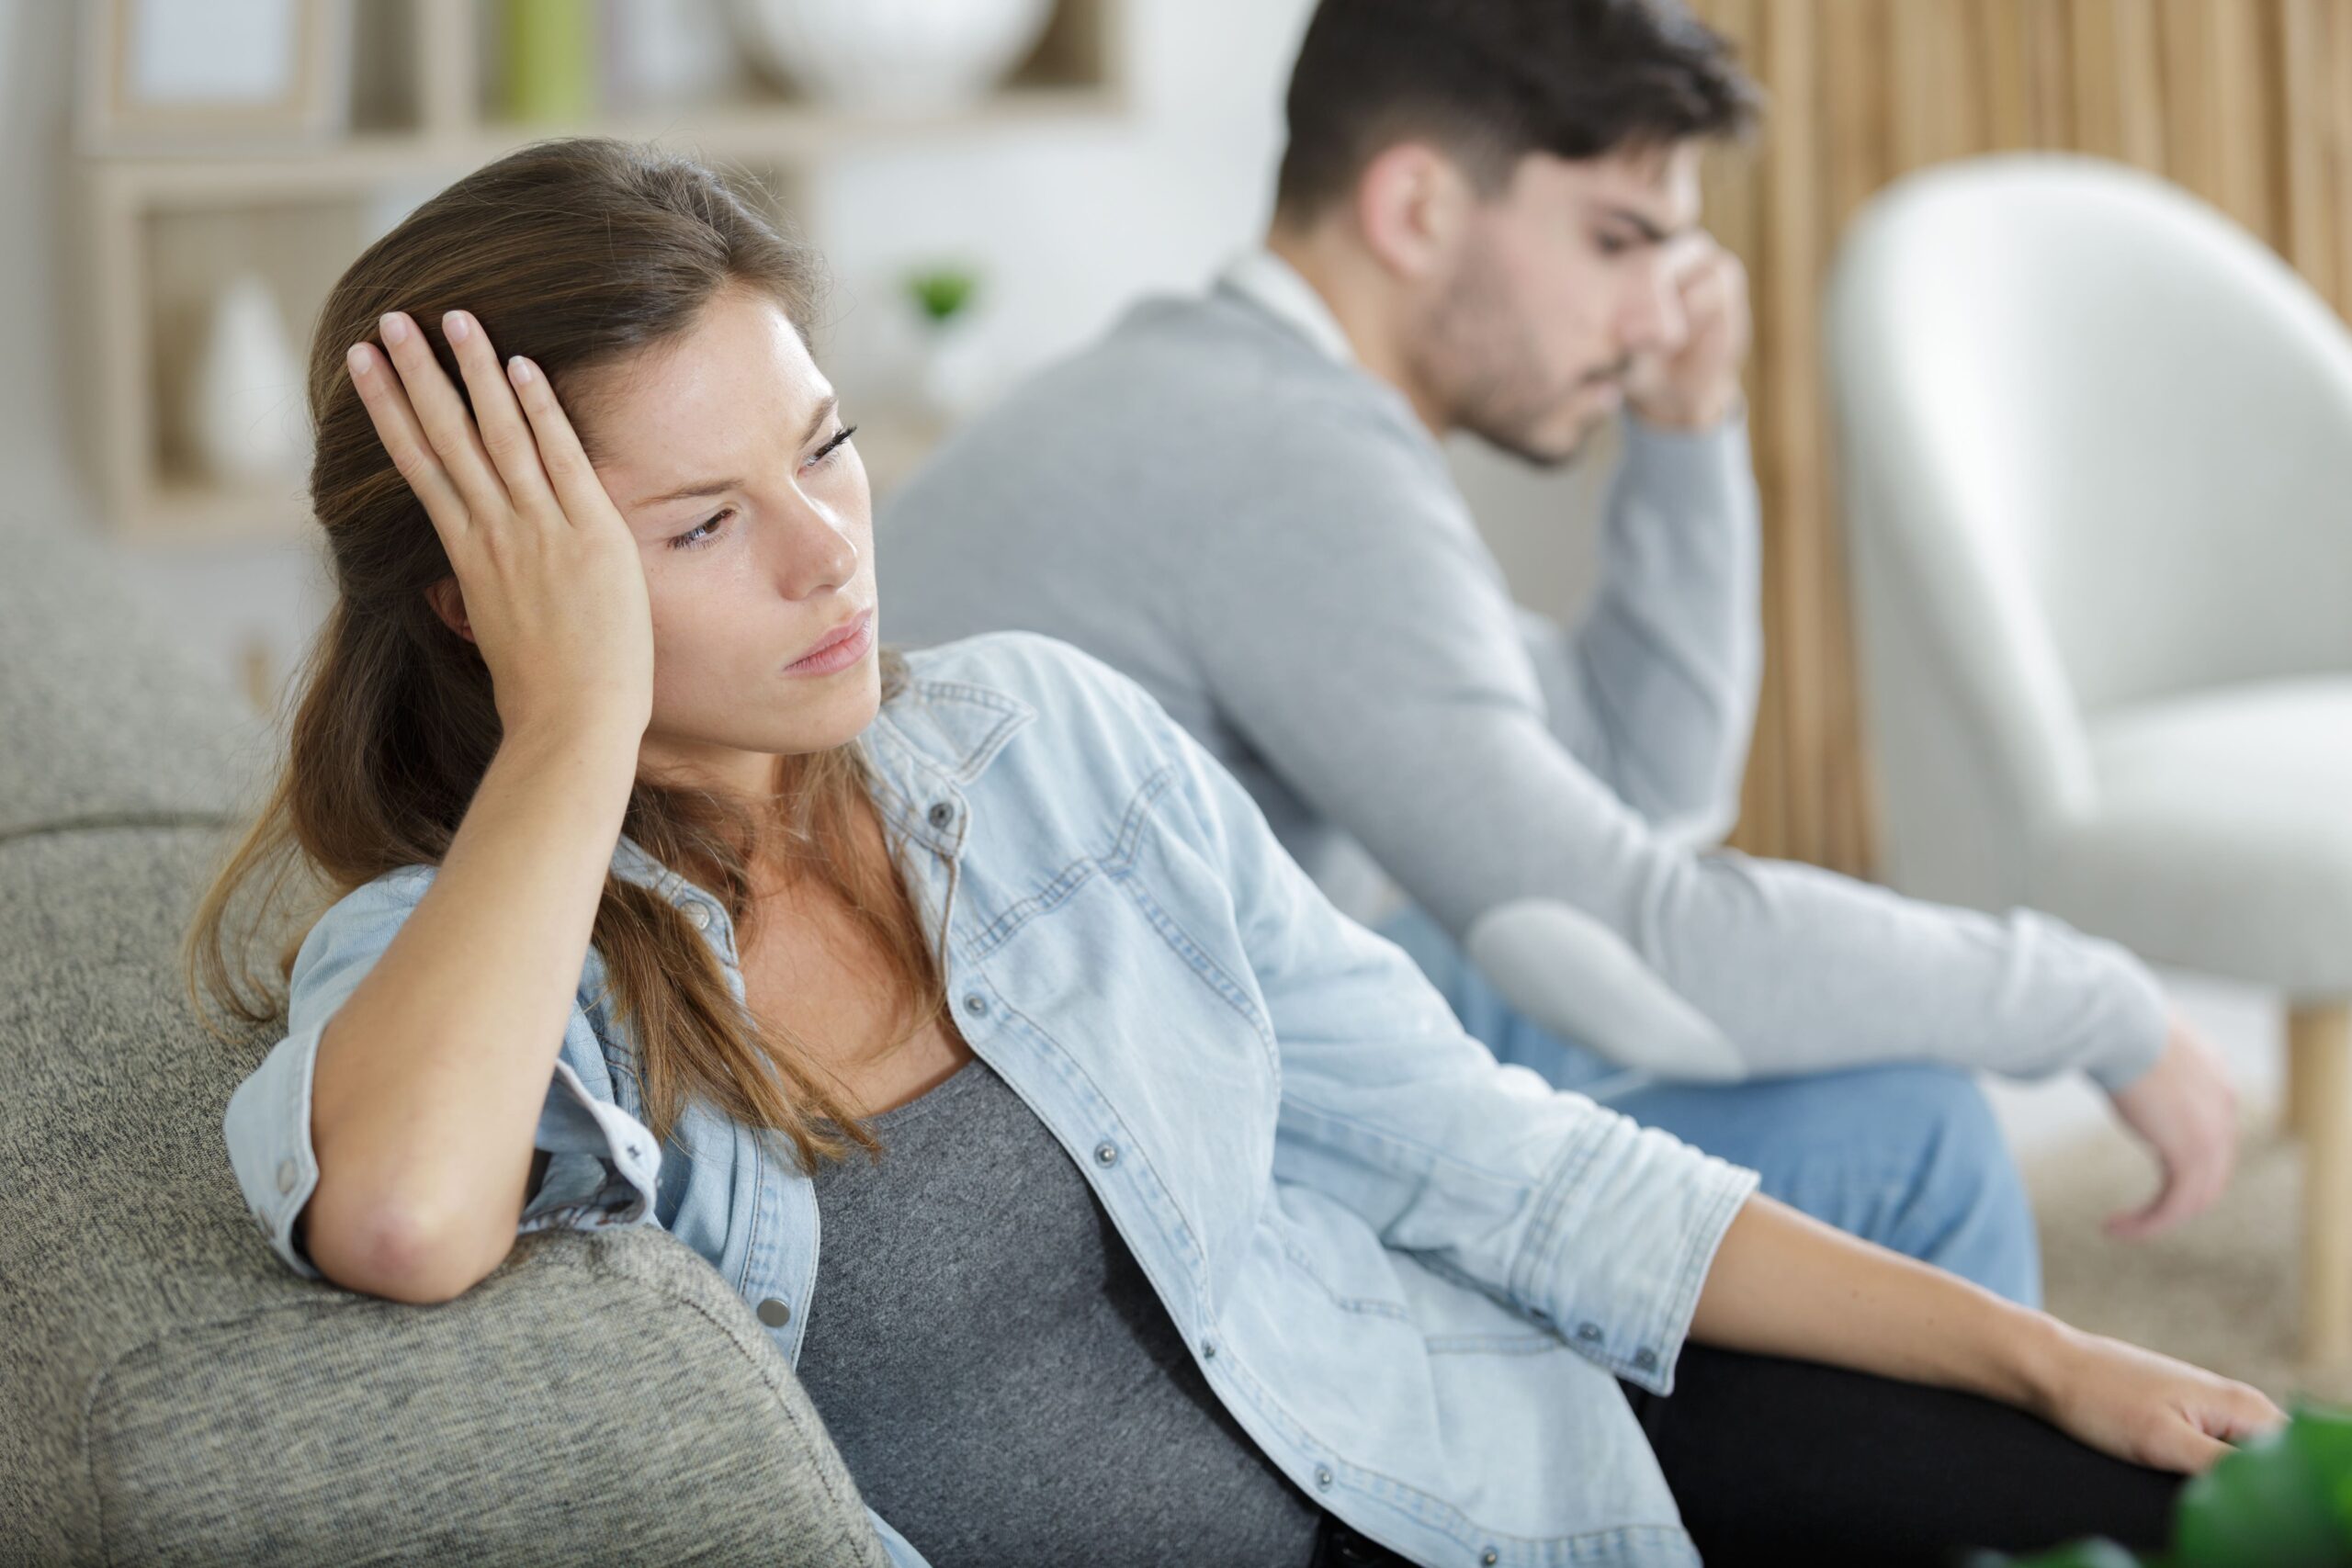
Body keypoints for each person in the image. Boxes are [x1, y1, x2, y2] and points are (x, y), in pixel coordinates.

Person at [202, 139, 2278, 1568]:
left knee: (2159, 1464)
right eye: (697, 526)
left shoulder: (1034, 734)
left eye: (822, 445)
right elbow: (394, 1213)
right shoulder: (455, 966)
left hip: (1439, 1465)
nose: (833, 551)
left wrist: (2047, 1343)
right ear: (500, 589)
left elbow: (1486, 1151)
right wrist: (575, 730)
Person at [876, 0, 2241, 1308]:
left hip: (1166, 1063)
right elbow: (1627, 952)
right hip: (1106, 1185)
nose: (1661, 315)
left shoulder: (1225, 395)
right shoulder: (1288, 460)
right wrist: (2100, 1002)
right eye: (1617, 240)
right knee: (1914, 1137)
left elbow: (1641, 793)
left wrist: (1687, 431)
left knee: (1784, 1035)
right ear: (1416, 209)